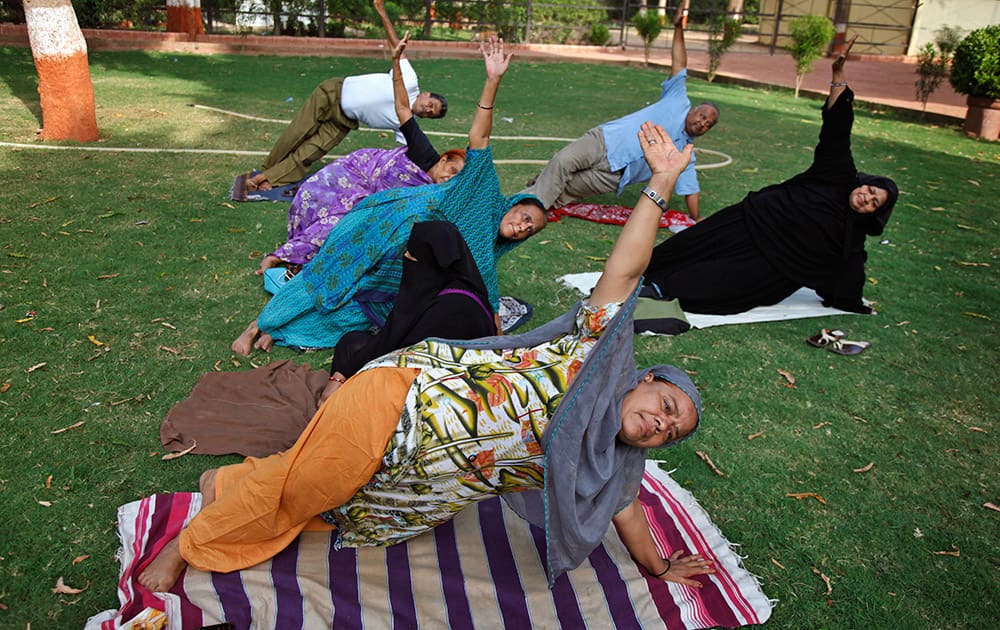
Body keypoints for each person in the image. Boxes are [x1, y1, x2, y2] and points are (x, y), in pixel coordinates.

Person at [137, 120, 715, 594]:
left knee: (327, 508)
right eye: (666, 404)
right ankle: (188, 547)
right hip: (398, 402)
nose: (663, 423)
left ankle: (232, 482)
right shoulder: (587, 356)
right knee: (309, 486)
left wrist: (660, 569)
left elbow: (626, 509)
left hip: (410, 493)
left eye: (671, 431)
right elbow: (626, 270)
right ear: (639, 380)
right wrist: (661, 184)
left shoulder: (607, 462)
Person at [232, 37, 546, 355]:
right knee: (331, 276)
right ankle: (259, 324)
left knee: (360, 309)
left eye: (529, 230)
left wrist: (495, 330)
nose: (523, 227)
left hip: (403, 259)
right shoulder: (482, 186)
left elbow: (486, 292)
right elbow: (479, 135)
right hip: (380, 226)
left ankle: (283, 331)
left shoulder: (487, 251)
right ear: (515, 204)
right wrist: (493, 80)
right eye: (525, 217)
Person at [642, 35, 898, 315]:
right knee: (697, 243)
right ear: (866, 183)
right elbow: (837, 128)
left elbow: (851, 271)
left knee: (727, 280)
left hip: (779, 261)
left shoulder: (852, 232)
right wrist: (838, 75)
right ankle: (640, 272)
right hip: (755, 218)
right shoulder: (838, 174)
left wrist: (851, 300)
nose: (866, 200)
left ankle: (662, 289)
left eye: (873, 204)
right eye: (870, 192)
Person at [257, 34, 466, 276]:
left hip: (370, 199)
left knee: (343, 225)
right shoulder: (423, 150)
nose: (451, 178)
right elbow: (402, 108)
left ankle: (283, 256)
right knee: (311, 193)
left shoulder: (436, 194)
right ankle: (287, 247)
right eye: (452, 170)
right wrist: (396, 61)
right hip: (359, 171)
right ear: (444, 159)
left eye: (456, 178)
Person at [518, 1, 717, 220]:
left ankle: (534, 193)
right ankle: (522, 205)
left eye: (708, 125)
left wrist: (696, 218)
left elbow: (691, 188)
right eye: (703, 116)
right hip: (606, 141)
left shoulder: (685, 153)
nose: (703, 123)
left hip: (615, 176)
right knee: (564, 161)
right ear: (695, 110)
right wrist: (678, 29)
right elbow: (680, 64)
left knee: (564, 190)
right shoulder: (678, 99)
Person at [245, 0, 448, 191]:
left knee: (309, 152)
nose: (429, 109)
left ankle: (270, 178)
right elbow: (396, 47)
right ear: (425, 94)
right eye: (431, 104)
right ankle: (266, 169)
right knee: (297, 133)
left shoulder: (405, 124)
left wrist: (439, 173)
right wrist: (382, 12)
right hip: (332, 93)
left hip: (343, 122)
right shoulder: (410, 80)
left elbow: (417, 153)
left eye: (431, 113)